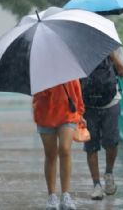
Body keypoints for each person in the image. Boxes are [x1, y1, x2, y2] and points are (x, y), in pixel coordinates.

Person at [32, 79, 85, 210]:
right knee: (50, 155)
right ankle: (52, 196)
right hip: (45, 114)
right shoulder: (40, 72)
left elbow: (76, 89)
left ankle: (66, 195)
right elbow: (37, 95)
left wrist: (80, 112)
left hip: (68, 113)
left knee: (65, 149)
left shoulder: (67, 67)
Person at [82, 47, 123, 200]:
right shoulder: (80, 47)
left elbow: (122, 71)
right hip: (88, 104)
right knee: (91, 145)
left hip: (111, 102)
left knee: (111, 142)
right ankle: (96, 185)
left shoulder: (114, 45)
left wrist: (111, 53)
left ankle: (109, 173)